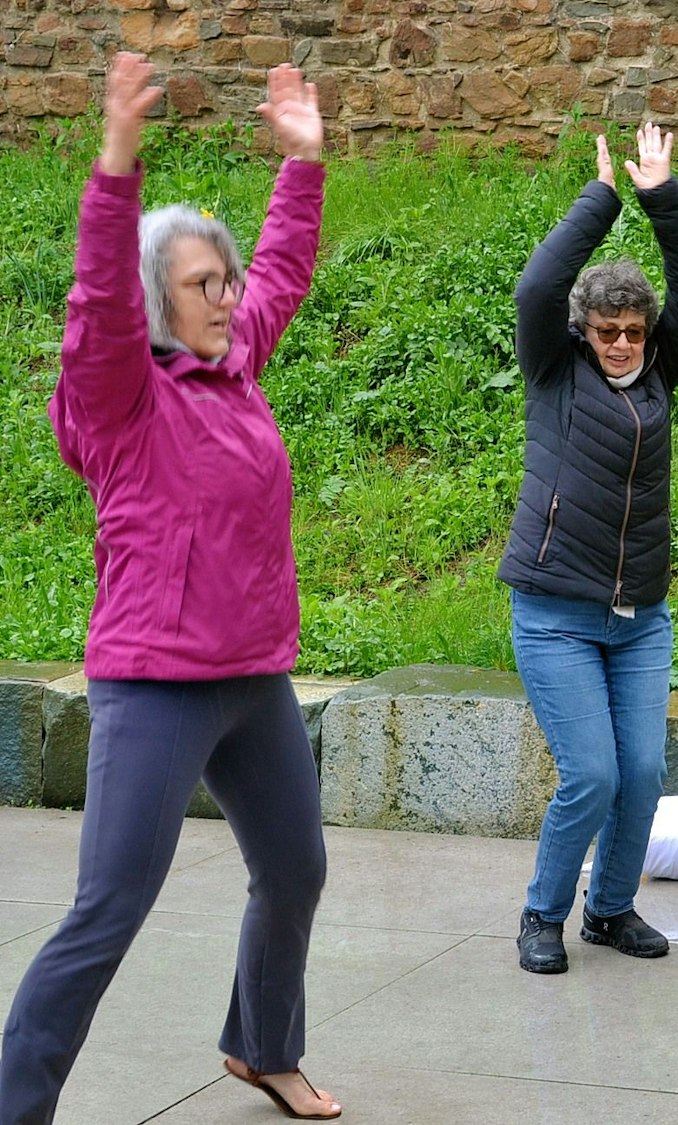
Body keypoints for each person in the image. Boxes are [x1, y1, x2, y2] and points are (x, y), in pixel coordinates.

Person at [0, 54, 341, 1122]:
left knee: (295, 872)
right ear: (157, 301)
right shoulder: (118, 396)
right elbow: (98, 294)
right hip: (155, 683)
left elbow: (281, 270)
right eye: (202, 282)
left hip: (253, 679)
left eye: (223, 278)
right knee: (107, 910)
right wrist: (115, 167)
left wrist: (305, 163)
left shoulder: (234, 363)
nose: (227, 295)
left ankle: (260, 1046)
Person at [501, 122, 678, 974]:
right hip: (554, 611)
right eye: (607, 331)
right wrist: (602, 199)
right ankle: (540, 914)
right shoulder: (553, 368)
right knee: (590, 773)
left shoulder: (664, 366)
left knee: (643, 772)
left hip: (640, 617)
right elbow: (535, 288)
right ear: (584, 331)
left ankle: (612, 908)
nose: (622, 343)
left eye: (633, 329)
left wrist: (663, 195)